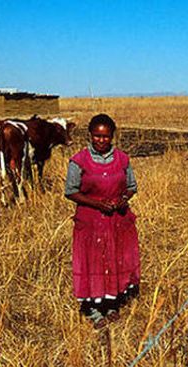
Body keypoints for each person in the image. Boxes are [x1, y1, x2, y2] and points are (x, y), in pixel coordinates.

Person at [65, 113, 140, 329]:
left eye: (106, 137)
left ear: (112, 137)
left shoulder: (122, 159)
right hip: (90, 222)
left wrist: (122, 199)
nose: (101, 140)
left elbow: (131, 187)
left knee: (115, 259)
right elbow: (70, 191)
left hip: (117, 220)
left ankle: (111, 304)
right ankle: (94, 310)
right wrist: (97, 204)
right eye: (97, 136)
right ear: (90, 135)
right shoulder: (79, 161)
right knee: (93, 262)